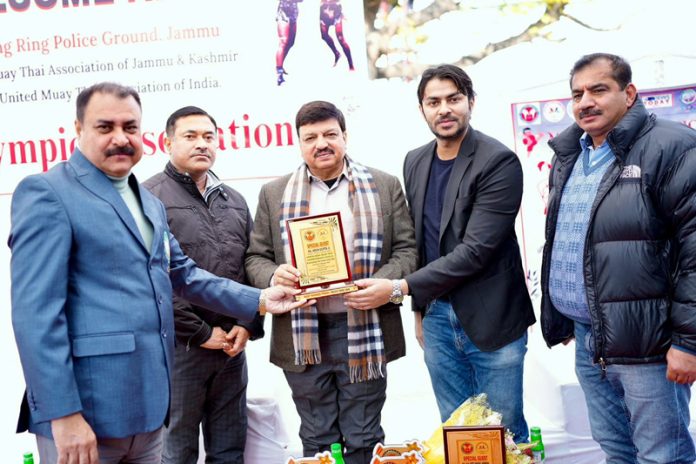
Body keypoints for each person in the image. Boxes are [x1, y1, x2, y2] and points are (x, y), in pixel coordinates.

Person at [9, 82, 306, 464]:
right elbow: (35, 316)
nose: (120, 137)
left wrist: (261, 299)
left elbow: (184, 275)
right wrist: (63, 415)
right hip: (86, 417)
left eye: (130, 127)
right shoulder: (47, 192)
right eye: (105, 127)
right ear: (78, 129)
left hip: (149, 413)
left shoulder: (146, 201)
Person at [349, 64, 535, 442]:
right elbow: (420, 242)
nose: (444, 109)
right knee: (458, 433)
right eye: (433, 102)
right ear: (422, 109)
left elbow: (475, 251)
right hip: (436, 319)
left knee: (504, 433)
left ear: (471, 103)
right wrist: (420, 310)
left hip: (492, 316)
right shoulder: (415, 160)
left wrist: (401, 289)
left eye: (453, 99)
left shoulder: (498, 161)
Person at [541, 53, 696, 462]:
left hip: (650, 343)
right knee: (615, 451)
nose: (585, 102)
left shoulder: (671, 146)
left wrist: (688, 343)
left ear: (629, 94)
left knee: (663, 455)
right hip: (590, 338)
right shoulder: (569, 155)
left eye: (598, 89)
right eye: (577, 94)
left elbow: (695, 252)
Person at [245, 100, 417, 463]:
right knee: (317, 438)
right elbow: (255, 257)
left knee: (364, 436)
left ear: (344, 136)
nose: (321, 143)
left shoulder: (384, 186)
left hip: (365, 328)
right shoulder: (274, 194)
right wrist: (275, 274)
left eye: (329, 134)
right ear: (299, 142)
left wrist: (380, 284)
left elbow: (407, 251)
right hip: (303, 333)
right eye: (311, 137)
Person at [143, 106, 262, 463]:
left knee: (229, 449)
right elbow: (157, 280)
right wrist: (199, 332)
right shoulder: (149, 199)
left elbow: (250, 267)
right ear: (167, 143)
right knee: (176, 449)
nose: (201, 144)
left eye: (208, 136)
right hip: (181, 350)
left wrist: (245, 323)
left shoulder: (235, 202)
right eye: (190, 136)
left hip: (231, 349)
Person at [319, 0, 354, 71]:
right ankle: (336, 53)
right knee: (324, 35)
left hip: (335, 12)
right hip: (324, 13)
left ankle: (351, 65)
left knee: (341, 39)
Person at [276, 0, 303, 86]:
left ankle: (280, 65)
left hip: (293, 12)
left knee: (291, 42)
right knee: (283, 41)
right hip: (283, 11)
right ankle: (279, 74)